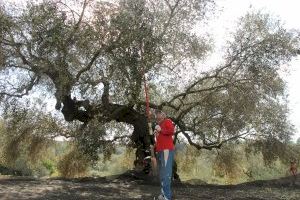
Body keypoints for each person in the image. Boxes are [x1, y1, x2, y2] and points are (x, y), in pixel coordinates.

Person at [154, 109, 175, 200]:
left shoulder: (167, 121)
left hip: (167, 150)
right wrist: (156, 136)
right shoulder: (158, 125)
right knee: (162, 173)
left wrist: (160, 130)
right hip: (160, 151)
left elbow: (171, 131)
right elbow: (160, 140)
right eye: (156, 113)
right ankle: (163, 194)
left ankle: (167, 197)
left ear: (163, 114)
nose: (157, 115)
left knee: (166, 173)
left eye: (159, 113)